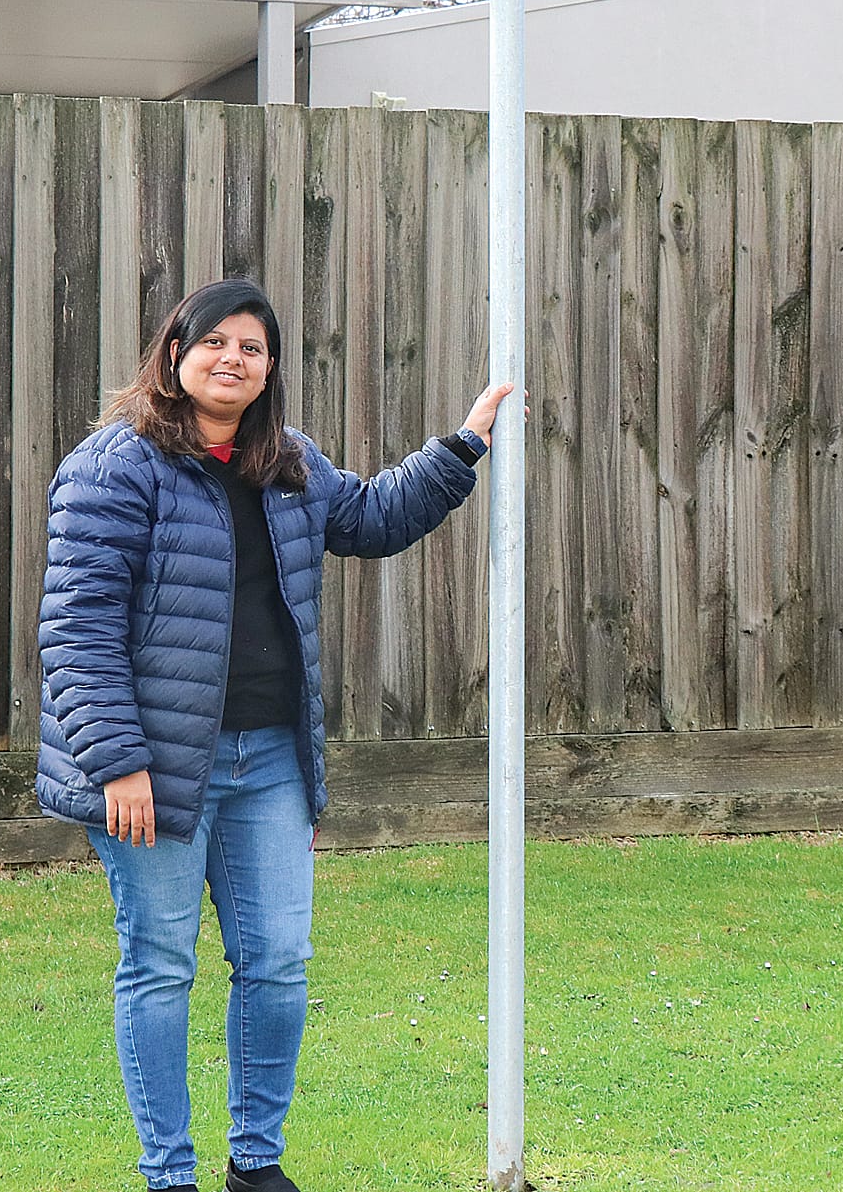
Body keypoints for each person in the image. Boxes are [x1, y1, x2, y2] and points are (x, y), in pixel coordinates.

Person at [36, 277, 512, 1192]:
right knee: (161, 962)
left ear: (269, 370)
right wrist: (117, 763)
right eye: (217, 342)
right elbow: (77, 625)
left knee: (279, 964)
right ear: (175, 353)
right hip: (152, 771)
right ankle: (168, 1172)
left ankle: (254, 1165)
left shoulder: (289, 463)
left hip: (269, 763)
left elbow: (372, 517)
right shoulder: (115, 465)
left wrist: (461, 446)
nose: (233, 359)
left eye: (252, 348)